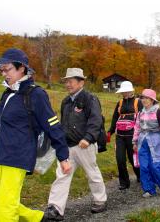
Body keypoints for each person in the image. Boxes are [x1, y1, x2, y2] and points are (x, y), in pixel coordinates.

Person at [0, 48, 71, 222]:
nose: (3, 74)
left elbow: (52, 125)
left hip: (16, 157)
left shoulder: (35, 94)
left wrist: (63, 156)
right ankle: (38, 217)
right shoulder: (7, 93)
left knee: (5, 208)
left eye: (7, 69)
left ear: (21, 68)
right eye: (1, 70)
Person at [45, 68, 107, 220]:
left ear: (81, 82)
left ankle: (100, 200)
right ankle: (55, 208)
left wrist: (88, 138)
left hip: (84, 145)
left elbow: (96, 120)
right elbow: (64, 123)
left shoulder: (90, 99)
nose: (68, 84)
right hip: (67, 146)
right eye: (66, 81)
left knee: (92, 173)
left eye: (71, 81)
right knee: (61, 175)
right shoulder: (66, 101)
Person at [132, 89, 160, 198]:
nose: (144, 100)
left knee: (155, 165)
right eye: (142, 98)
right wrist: (135, 142)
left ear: (152, 100)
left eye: (147, 98)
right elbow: (137, 128)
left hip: (156, 143)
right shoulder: (140, 113)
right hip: (142, 143)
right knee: (144, 167)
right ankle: (149, 189)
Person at [108, 81, 142, 190]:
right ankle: (124, 183)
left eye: (126, 91)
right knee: (120, 159)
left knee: (133, 159)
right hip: (120, 136)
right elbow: (114, 118)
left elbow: (143, 118)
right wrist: (110, 132)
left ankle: (140, 176)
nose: (124, 93)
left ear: (131, 91)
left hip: (133, 136)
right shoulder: (120, 103)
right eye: (123, 92)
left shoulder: (138, 102)